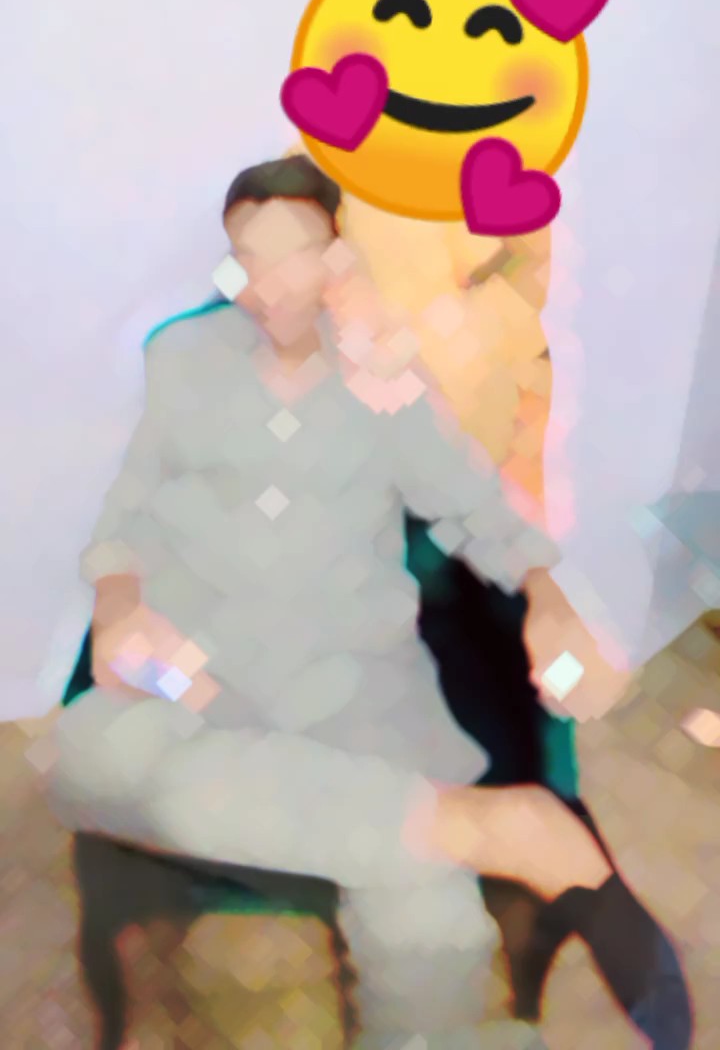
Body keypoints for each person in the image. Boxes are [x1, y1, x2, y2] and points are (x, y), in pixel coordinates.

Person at [47, 156, 692, 1048]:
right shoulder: (181, 359)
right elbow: (127, 513)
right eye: (248, 257)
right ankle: (502, 831)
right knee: (86, 756)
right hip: (197, 684)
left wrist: (548, 595)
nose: (270, 285)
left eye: (295, 254)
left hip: (347, 693)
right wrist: (120, 603)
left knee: (428, 924)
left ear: (336, 257)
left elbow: (478, 514)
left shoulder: (383, 380)